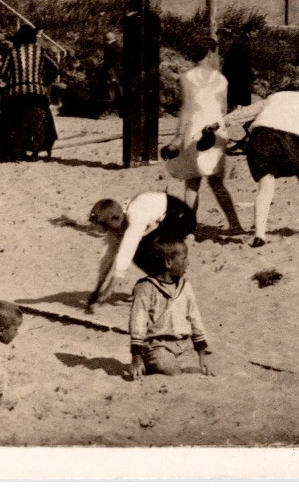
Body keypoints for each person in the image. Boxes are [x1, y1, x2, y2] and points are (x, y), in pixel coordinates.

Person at [164, 39, 246, 235]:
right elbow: (224, 108)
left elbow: (187, 109)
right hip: (215, 129)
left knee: (192, 183)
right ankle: (235, 224)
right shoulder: (221, 79)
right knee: (216, 181)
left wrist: (178, 136)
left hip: (194, 128)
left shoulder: (187, 77)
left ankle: (189, 228)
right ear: (210, 53)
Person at [242, 85, 299, 248]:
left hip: (260, 137)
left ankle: (259, 235)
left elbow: (246, 112)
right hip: (290, 138)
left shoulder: (275, 96)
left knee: (265, 187)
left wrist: (221, 122)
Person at [85, 191, 197, 314]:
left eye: (107, 228)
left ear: (115, 219)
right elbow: (108, 255)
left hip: (181, 218)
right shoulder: (117, 217)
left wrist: (107, 293)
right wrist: (97, 290)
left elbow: (126, 253)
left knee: (138, 249)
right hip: (161, 219)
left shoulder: (135, 214)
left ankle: (171, 292)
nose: (108, 232)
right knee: (136, 247)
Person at [128, 239, 211, 379]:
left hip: (184, 347)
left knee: (196, 374)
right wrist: (136, 357)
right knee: (175, 375)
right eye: (184, 258)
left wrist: (202, 355)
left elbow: (195, 319)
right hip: (157, 347)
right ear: (168, 262)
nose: (188, 263)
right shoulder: (146, 287)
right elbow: (138, 321)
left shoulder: (186, 287)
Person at [0, 25, 58, 162]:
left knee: (15, 122)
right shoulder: (41, 51)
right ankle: (35, 152)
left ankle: (17, 152)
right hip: (37, 93)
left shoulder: (13, 52)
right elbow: (55, 67)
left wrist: (12, 80)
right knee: (39, 123)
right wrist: (44, 81)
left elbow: (3, 73)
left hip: (17, 94)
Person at [221, 19, 258, 111]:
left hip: (234, 73)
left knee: (234, 99)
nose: (257, 35)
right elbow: (243, 62)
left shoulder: (241, 40)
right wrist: (250, 75)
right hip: (238, 75)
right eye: (256, 32)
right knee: (239, 99)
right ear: (251, 31)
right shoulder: (244, 43)